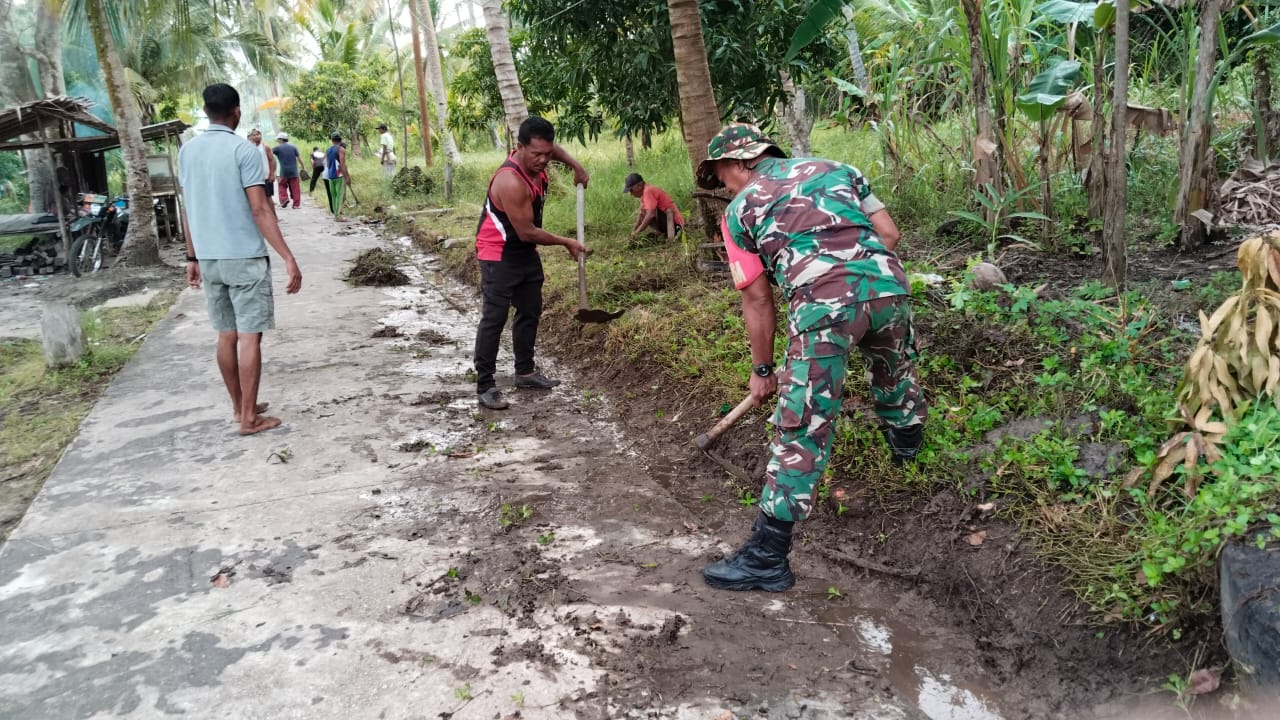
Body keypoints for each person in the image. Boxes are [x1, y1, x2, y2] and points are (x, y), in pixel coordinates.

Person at [696, 123, 926, 592]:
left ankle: (766, 557)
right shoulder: (838, 168)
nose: (722, 185)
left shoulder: (740, 209)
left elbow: (758, 300)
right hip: (889, 287)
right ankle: (911, 464)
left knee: (803, 423)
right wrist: (859, 282)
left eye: (720, 174)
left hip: (823, 307)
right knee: (895, 378)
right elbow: (889, 232)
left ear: (740, 161)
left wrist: (763, 370)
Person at [178, 83, 303, 436]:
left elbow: (188, 209)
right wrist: (288, 257)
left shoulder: (187, 152)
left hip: (210, 257)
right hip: (243, 256)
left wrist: (191, 256)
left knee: (226, 334)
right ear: (236, 112)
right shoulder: (244, 151)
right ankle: (250, 419)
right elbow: (260, 208)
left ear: (206, 111)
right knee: (250, 336)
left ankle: (239, 407)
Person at [472, 116, 589, 410]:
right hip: (498, 252)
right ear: (519, 147)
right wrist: (566, 242)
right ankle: (485, 384)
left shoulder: (543, 157)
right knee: (495, 318)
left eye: (547, 154)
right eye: (536, 154)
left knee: (530, 309)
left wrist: (575, 165)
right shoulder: (510, 181)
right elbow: (526, 231)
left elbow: (554, 149)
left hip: (524, 249)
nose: (543, 160)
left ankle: (524, 372)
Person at [623, 172, 684, 244]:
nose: (631, 194)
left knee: (648, 214)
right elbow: (641, 215)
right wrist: (633, 232)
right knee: (644, 212)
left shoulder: (648, 191)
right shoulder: (644, 195)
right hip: (666, 222)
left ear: (639, 186)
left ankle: (671, 238)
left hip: (676, 225)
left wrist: (637, 232)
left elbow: (650, 215)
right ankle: (662, 234)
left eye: (631, 190)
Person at [272, 132, 302, 209]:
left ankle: (284, 199)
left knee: (282, 185)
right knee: (295, 188)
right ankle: (296, 205)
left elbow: (269, 154)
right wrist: (303, 167)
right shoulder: (293, 147)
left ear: (281, 139)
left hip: (283, 172)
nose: (278, 141)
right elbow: (299, 158)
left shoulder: (277, 148)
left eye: (278, 139)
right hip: (293, 171)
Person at [246, 129, 276, 207]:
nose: (256, 136)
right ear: (250, 137)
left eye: (257, 134)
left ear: (261, 136)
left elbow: (272, 160)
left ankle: (273, 217)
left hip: (265, 177)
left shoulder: (265, 147)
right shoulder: (248, 148)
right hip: (254, 178)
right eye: (254, 135)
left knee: (268, 198)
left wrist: (272, 174)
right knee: (256, 199)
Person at [323, 132, 348, 221]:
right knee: (340, 195)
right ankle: (338, 216)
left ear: (332, 140)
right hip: (339, 175)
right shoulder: (341, 149)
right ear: (340, 140)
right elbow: (343, 164)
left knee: (334, 196)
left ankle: (336, 215)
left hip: (331, 175)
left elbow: (328, 164)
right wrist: (347, 177)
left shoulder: (328, 150)